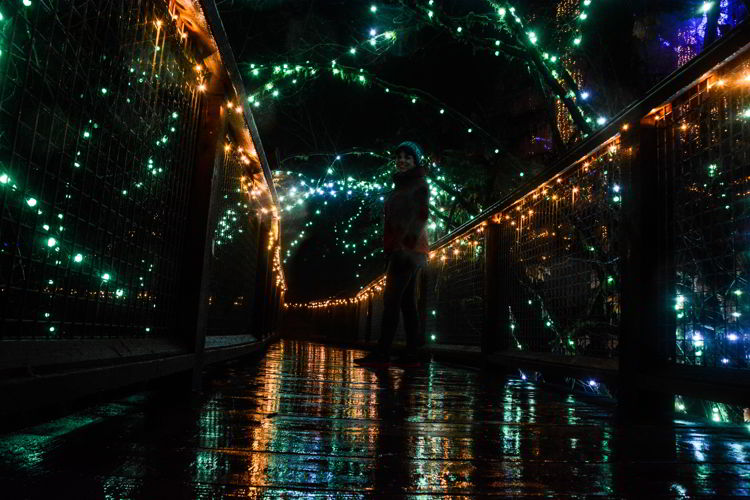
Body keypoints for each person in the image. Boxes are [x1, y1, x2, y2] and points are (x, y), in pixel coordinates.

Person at [355, 141, 430, 366]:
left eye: (408, 157)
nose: (402, 160)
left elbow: (422, 216)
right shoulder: (401, 185)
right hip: (404, 250)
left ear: (416, 161)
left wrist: (405, 244)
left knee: (391, 300)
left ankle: (382, 353)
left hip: (409, 250)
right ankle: (411, 354)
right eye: (399, 156)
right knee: (406, 302)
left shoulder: (418, 184)